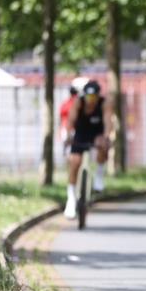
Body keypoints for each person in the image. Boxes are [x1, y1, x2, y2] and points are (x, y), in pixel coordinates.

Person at [64, 80, 113, 219]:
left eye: (93, 97)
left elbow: (108, 122)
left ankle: (98, 175)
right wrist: (68, 136)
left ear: (98, 96)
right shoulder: (78, 102)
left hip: (97, 133)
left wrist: (106, 136)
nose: (90, 100)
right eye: (88, 97)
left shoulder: (105, 103)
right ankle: (71, 199)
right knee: (74, 162)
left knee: (102, 144)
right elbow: (70, 120)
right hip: (81, 133)